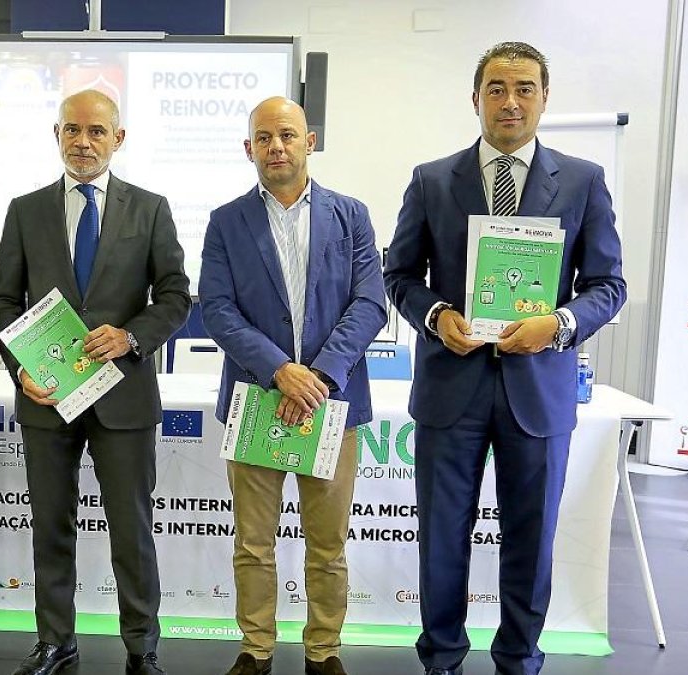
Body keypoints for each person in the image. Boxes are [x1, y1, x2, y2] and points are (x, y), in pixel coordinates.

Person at [383, 42, 627, 675]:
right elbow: (401, 273)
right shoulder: (433, 179)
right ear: (476, 100)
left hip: (538, 389)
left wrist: (560, 323)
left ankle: (519, 656)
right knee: (441, 536)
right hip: (450, 384)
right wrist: (437, 317)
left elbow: (609, 285)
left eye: (524, 88)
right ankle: (440, 656)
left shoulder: (582, 180)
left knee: (531, 535)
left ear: (544, 98)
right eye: (496, 88)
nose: (510, 101)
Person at [0, 89, 191, 675]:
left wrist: (131, 337)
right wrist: (20, 364)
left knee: (132, 531)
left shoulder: (150, 208)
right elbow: (4, 299)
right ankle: (55, 641)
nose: (83, 142)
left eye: (97, 132)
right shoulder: (26, 210)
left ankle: (141, 649)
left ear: (118, 138)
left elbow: (175, 294)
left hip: (122, 397)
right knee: (50, 525)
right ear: (57, 135)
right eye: (72, 130)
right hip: (46, 399)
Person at [199, 97, 386, 675]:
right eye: (263, 137)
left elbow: (370, 302)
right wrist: (280, 368)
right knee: (253, 544)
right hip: (258, 399)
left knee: (327, 547)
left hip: (332, 404)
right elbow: (217, 308)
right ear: (248, 148)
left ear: (310, 141)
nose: (275, 146)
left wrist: (321, 375)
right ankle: (256, 649)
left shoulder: (350, 215)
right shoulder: (226, 220)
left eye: (287, 135)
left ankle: (323, 651)